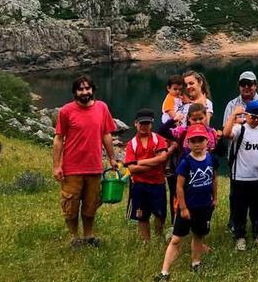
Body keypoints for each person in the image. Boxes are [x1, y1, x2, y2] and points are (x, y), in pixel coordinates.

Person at [52, 75, 117, 248]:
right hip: (72, 168)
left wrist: (112, 158)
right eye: (80, 89)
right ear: (75, 92)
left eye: (87, 88)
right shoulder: (66, 111)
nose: (85, 92)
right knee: (71, 206)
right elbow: (59, 139)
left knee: (91, 205)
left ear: (92, 90)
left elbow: (106, 134)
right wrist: (57, 165)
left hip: (94, 166)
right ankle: (74, 238)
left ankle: (89, 236)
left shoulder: (102, 108)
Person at [154, 125, 218, 282]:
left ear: (207, 141)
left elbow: (214, 179)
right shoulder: (186, 162)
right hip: (187, 208)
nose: (197, 144)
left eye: (200, 140)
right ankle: (164, 272)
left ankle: (196, 263)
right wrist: (182, 207)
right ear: (188, 143)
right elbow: (179, 187)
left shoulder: (211, 159)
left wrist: (215, 198)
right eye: (193, 141)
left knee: (199, 235)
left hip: (204, 206)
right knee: (176, 239)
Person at [223, 100, 258, 252]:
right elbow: (226, 134)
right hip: (240, 177)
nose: (257, 120)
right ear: (247, 115)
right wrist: (233, 114)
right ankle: (240, 236)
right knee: (240, 209)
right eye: (253, 117)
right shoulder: (240, 129)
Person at [125, 109, 173, 242]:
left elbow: (162, 159)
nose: (144, 126)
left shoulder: (158, 139)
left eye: (147, 123)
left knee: (160, 213)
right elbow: (131, 168)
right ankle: (146, 241)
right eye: (142, 123)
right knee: (142, 215)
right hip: (140, 184)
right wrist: (153, 162)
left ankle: (158, 237)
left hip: (158, 183)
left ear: (151, 124)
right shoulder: (132, 144)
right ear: (136, 124)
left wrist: (140, 162)